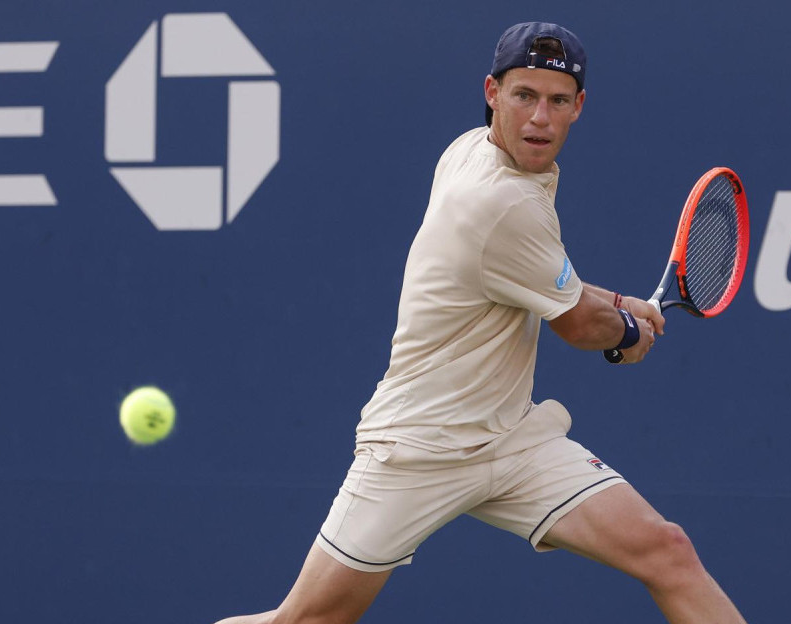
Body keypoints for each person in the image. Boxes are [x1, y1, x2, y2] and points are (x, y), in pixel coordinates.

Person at [216, 22, 747, 624]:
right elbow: (578, 325)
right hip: (422, 445)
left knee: (667, 550)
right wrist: (628, 334)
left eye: (556, 101)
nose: (540, 119)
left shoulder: (474, 146)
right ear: (493, 92)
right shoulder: (501, 202)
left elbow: (549, 284)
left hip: (510, 440)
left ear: (580, 107)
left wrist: (623, 302)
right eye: (524, 96)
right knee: (304, 621)